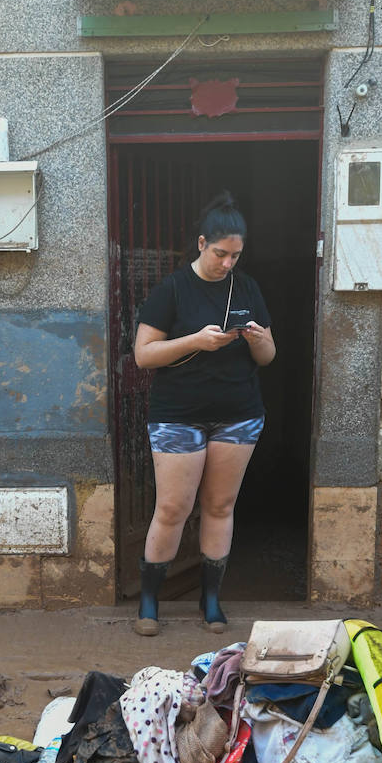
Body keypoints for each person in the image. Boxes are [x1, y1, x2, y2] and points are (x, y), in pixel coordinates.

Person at [132, 191, 276, 636]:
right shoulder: (172, 289)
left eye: (235, 255)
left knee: (220, 505)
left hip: (239, 414)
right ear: (200, 244)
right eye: (220, 253)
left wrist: (254, 340)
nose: (228, 263)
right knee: (173, 507)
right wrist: (195, 341)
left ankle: (211, 599)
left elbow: (269, 355)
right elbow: (144, 355)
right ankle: (150, 601)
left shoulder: (247, 287)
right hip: (178, 415)